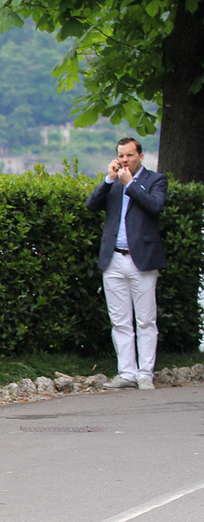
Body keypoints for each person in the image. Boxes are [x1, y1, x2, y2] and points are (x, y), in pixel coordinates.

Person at [85, 137, 168, 390]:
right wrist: (109, 180)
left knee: (145, 320)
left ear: (140, 156)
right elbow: (91, 205)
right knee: (120, 321)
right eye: (121, 156)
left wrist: (130, 184)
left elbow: (155, 206)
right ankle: (126, 372)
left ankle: (145, 374)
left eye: (129, 156)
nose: (124, 160)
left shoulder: (155, 180)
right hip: (114, 259)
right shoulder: (114, 182)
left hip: (141, 260)